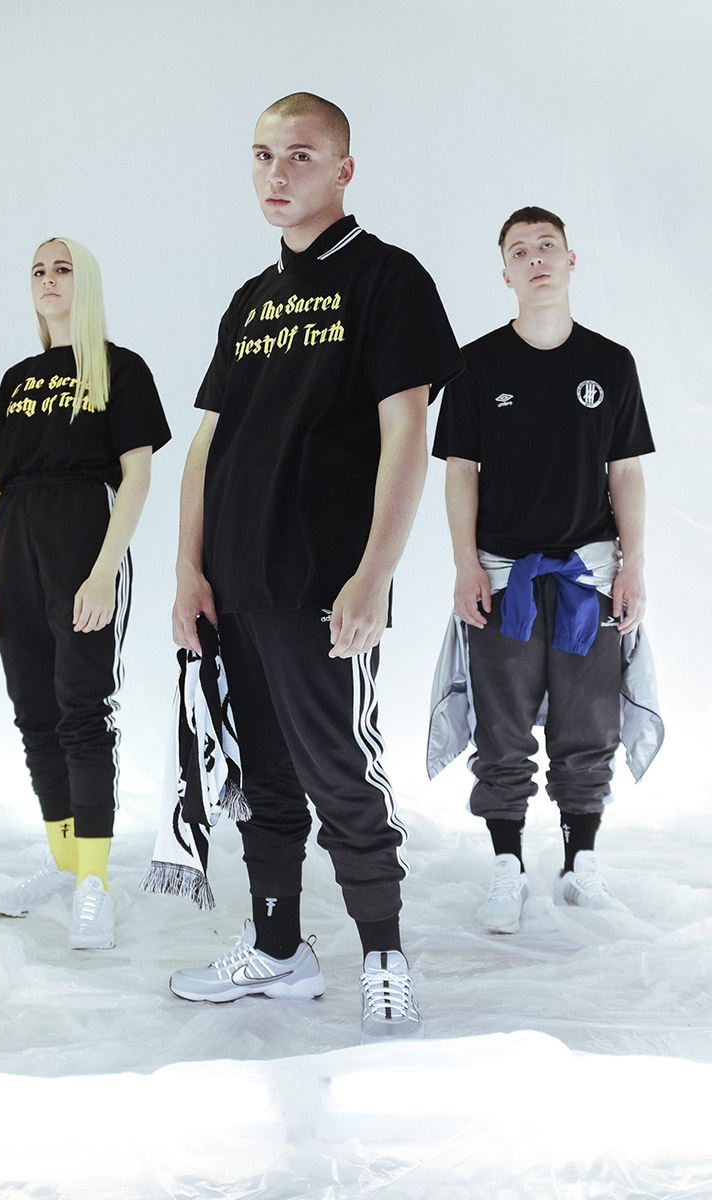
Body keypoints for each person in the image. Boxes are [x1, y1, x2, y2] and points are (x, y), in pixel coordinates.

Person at [167, 92, 463, 1035]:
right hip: (234, 579)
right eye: (262, 155)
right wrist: (187, 569)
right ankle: (278, 950)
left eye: (299, 155)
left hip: (321, 581)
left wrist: (374, 572)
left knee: (339, 774)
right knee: (262, 779)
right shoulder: (251, 301)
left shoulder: (387, 278)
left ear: (343, 169)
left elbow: (407, 434)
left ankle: (383, 956)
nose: (276, 173)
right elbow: (207, 445)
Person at [431, 206, 656, 933]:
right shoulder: (475, 365)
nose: (536, 260)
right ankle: (507, 867)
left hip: (589, 572)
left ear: (570, 259)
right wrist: (465, 564)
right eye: (520, 251)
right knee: (502, 727)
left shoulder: (611, 363)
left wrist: (633, 566)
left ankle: (580, 863)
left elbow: (626, 473)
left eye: (547, 246)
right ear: (504, 273)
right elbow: (459, 472)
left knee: (589, 723)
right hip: (504, 576)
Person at [0, 237, 171, 949]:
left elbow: (137, 475)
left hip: (81, 541)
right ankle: (64, 866)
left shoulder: (120, 367)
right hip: (15, 549)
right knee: (35, 712)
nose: (48, 279)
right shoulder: (18, 379)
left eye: (63, 269)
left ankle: (94, 881)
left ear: (86, 284)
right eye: (38, 270)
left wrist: (104, 569)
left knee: (82, 709)